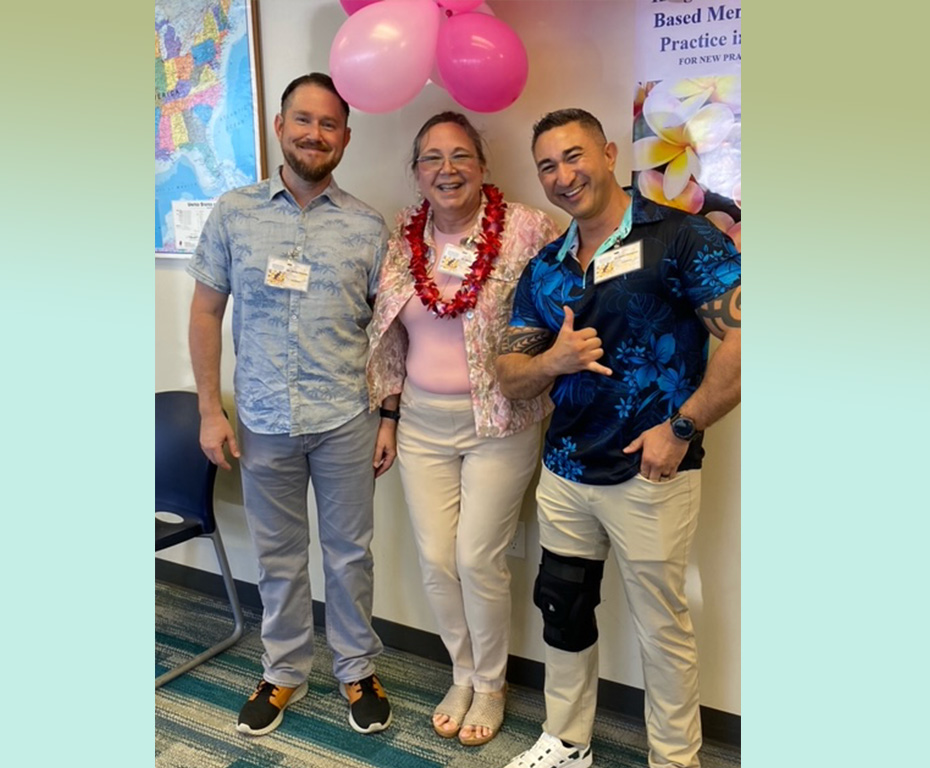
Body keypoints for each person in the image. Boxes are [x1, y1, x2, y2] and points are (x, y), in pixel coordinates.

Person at [496, 109, 741, 768]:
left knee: (662, 629)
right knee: (563, 606)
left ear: (608, 153)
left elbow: (747, 338)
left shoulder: (683, 236)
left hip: (651, 474)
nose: (563, 175)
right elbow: (509, 373)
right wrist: (553, 361)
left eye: (574, 156)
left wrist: (683, 427)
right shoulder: (547, 265)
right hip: (567, 471)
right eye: (547, 165)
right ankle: (568, 740)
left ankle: (674, 759)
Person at [186, 73, 394, 739]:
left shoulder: (367, 226)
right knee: (277, 555)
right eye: (302, 120)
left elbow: (389, 331)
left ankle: (357, 667)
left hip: (345, 420)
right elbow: (206, 311)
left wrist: (388, 414)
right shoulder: (233, 212)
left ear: (345, 138)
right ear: (279, 127)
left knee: (350, 553)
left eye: (328, 124)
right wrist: (208, 412)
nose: (314, 134)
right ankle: (282, 672)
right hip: (264, 420)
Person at [367, 112, 559, 746]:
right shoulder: (402, 235)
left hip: (500, 421)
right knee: (434, 559)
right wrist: (389, 415)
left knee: (477, 557)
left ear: (481, 164)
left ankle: (494, 683)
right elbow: (389, 335)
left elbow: (569, 301)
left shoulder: (529, 228)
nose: (445, 170)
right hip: (421, 421)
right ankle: (463, 671)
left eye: (459, 156)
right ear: (416, 171)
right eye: (431, 158)